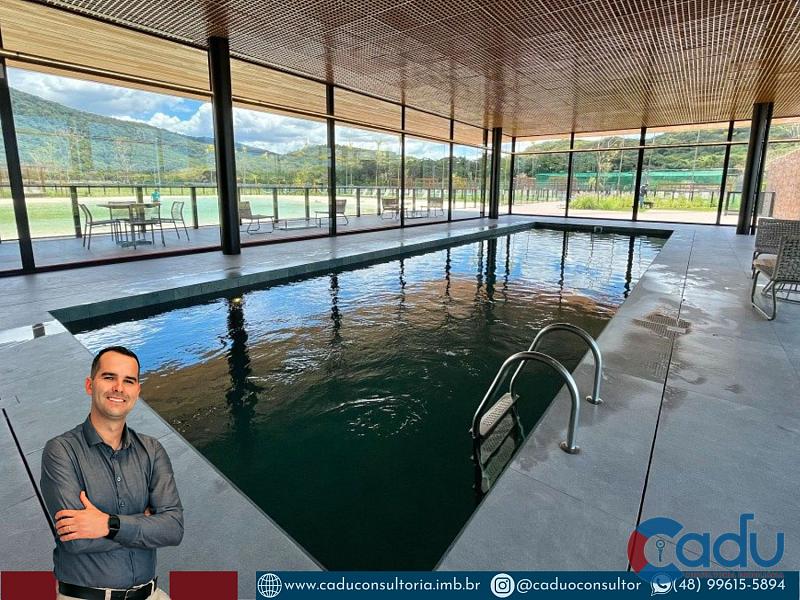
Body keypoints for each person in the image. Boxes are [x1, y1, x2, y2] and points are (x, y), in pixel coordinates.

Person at [40, 346, 183, 600]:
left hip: (150, 595)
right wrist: (145, 522)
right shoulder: (61, 451)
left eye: (128, 381)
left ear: (137, 392)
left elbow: (172, 528)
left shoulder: (152, 450)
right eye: (109, 377)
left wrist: (107, 524)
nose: (119, 387)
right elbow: (75, 540)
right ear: (89, 385)